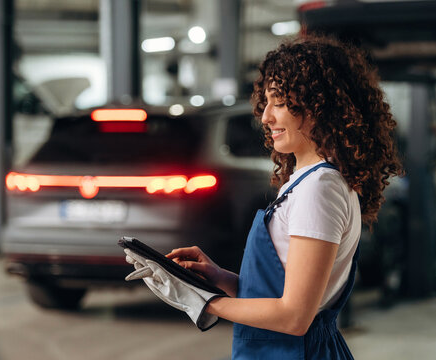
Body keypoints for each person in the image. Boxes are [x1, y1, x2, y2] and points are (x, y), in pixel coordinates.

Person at [125, 35, 403, 359]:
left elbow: (295, 316)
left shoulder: (320, 189)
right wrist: (219, 278)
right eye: (266, 101)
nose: (266, 116)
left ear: (319, 105)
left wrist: (205, 302)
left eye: (280, 102)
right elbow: (284, 291)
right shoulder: (309, 181)